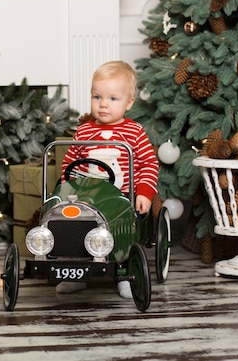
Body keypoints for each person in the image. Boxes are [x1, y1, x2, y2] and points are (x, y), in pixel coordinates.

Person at [57, 60, 159, 297]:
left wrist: (143, 192)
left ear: (129, 102)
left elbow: (148, 164)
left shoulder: (134, 132)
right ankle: (76, 272)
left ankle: (123, 272)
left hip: (121, 197)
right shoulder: (83, 131)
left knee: (120, 227)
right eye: (97, 97)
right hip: (86, 196)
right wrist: (66, 188)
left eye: (113, 99)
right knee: (74, 225)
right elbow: (70, 163)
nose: (103, 105)